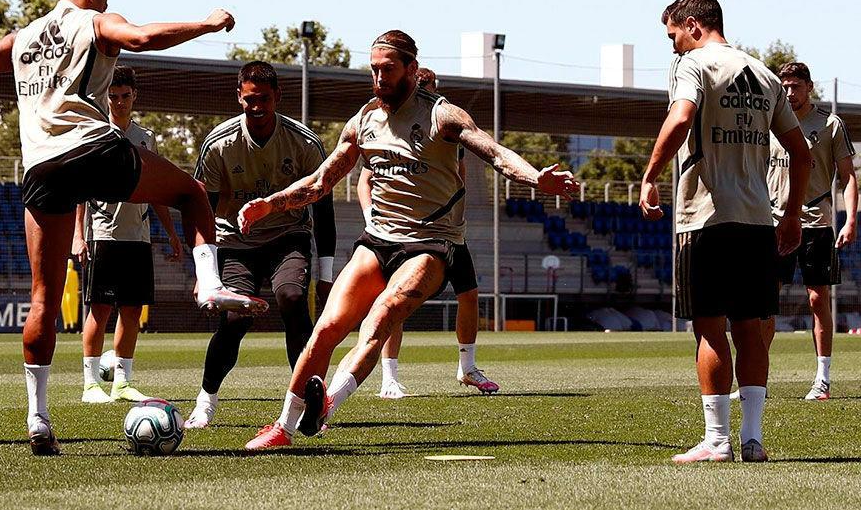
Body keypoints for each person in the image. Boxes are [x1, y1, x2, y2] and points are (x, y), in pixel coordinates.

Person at [0, 0, 265, 456]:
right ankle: (209, 283)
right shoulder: (92, 20)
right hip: (92, 149)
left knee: (43, 299)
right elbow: (139, 38)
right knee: (192, 194)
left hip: (41, 168)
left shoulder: (24, 37)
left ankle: (38, 416)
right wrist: (205, 24)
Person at [238, 30, 577, 450]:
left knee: (380, 317)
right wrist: (270, 204)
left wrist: (537, 177)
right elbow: (321, 181)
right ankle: (282, 429)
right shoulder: (363, 121)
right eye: (374, 70)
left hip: (431, 244)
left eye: (389, 69)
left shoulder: (443, 116)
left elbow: (495, 153)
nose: (379, 78)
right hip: (377, 240)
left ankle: (326, 405)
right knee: (326, 327)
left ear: (412, 70)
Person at [639, 0, 810, 464]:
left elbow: (682, 116)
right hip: (758, 219)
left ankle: (716, 441)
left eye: (674, 35)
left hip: (706, 218)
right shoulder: (764, 73)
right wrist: (792, 213)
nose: (674, 46)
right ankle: (753, 441)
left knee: (709, 327)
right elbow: (802, 152)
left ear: (693, 25)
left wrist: (650, 175)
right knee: (750, 328)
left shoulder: (695, 65)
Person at [184, 61, 336, 429]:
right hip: (237, 243)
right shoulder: (219, 145)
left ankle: (304, 405)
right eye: (250, 99)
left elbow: (324, 209)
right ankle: (206, 401)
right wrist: (204, 273)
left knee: (293, 300)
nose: (257, 107)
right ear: (239, 97)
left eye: (264, 99)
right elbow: (200, 210)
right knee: (235, 319)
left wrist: (326, 274)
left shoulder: (304, 143)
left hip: (289, 237)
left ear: (277, 97)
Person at [359, 66, 498, 399]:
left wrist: (455, 215)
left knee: (470, 294)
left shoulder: (445, 124)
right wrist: (370, 216)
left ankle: (467, 367)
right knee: (396, 303)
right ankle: (389, 378)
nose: (423, 90)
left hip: (446, 232)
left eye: (429, 85)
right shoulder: (386, 125)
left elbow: (458, 177)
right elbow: (365, 178)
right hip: (404, 233)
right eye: (419, 84)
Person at [72, 65, 183, 404]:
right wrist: (79, 235)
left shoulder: (146, 138)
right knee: (100, 309)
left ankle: (122, 381)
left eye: (125, 96)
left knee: (132, 311)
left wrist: (171, 234)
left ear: (134, 96)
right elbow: (81, 189)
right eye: (114, 96)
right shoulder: (94, 133)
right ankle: (91, 383)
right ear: (106, 97)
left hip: (139, 236)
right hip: (104, 233)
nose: (119, 102)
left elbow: (156, 189)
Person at [763, 61, 857, 400]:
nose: (789, 92)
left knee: (818, 299)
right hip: (774, 223)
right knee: (764, 303)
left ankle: (822, 379)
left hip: (816, 224)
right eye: (784, 86)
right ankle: (755, 381)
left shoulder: (830, 125)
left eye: (795, 86)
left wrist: (850, 219)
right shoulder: (771, 123)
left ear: (809, 87)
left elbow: (848, 177)